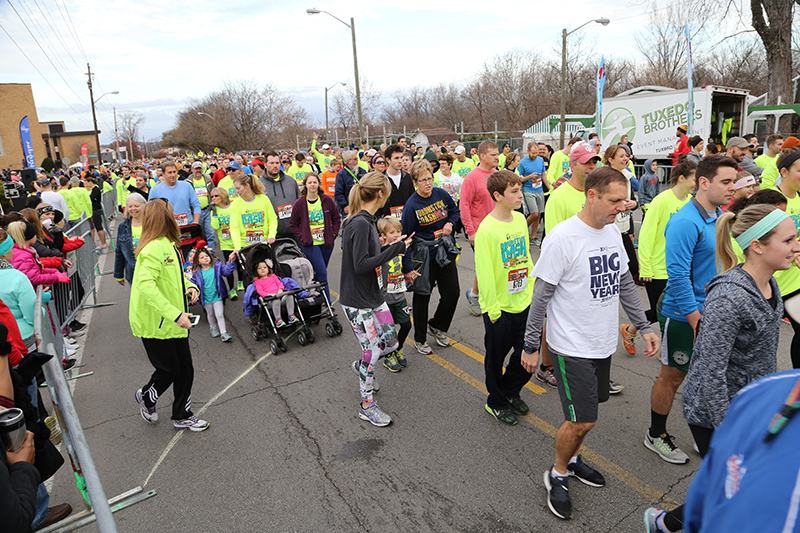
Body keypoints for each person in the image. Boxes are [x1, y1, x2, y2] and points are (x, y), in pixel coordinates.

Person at [645, 203, 798, 533]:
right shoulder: (729, 297)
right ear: (757, 246)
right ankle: (666, 523)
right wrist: (730, 429)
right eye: (789, 241)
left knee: (730, 484)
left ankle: (666, 523)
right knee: (737, 487)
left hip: (751, 406)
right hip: (718, 412)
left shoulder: (771, 285)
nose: (796, 246)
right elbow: (708, 369)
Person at [521, 166, 659, 520]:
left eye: (624, 199)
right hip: (572, 346)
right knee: (582, 420)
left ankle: (575, 458)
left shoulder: (612, 231)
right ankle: (557, 474)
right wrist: (531, 344)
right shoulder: (563, 238)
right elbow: (541, 297)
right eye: (614, 200)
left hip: (602, 342)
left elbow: (625, 283)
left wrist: (643, 325)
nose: (621, 207)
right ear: (592, 195)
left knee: (588, 414)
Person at [646, 155, 738, 465]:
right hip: (684, 316)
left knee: (709, 377)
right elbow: (679, 276)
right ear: (703, 182)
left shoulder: (720, 215)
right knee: (672, 378)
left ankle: (705, 436)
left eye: (733, 181)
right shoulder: (686, 221)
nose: (732, 188)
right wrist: (695, 318)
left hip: (714, 312)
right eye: (726, 182)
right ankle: (655, 434)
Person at [678, 369, 800, 532]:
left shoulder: (760, 389)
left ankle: (664, 523)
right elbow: (711, 369)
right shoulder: (757, 392)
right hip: (729, 413)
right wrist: (725, 428)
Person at [131, 200, 208, 432]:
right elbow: (146, 287)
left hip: (174, 320)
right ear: (164, 218)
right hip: (156, 322)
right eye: (172, 214)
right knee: (169, 370)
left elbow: (174, 277)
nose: (176, 218)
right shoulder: (153, 249)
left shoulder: (169, 245)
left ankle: (182, 415)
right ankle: (146, 397)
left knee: (185, 368)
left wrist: (190, 286)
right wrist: (175, 315)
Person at [340, 172, 410, 427]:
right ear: (380, 194)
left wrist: (393, 246)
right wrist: (394, 249)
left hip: (374, 295)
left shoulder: (369, 220)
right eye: (388, 191)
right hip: (357, 301)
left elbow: (368, 255)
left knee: (391, 341)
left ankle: (362, 365)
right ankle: (367, 405)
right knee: (373, 350)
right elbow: (360, 265)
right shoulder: (359, 223)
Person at [475, 170, 534, 426]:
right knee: (495, 358)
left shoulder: (521, 220)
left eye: (520, 190)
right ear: (498, 195)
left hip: (525, 302)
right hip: (499, 308)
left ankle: (510, 391)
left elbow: (526, 258)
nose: (520, 195)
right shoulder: (486, 230)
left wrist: (533, 288)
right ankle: (496, 401)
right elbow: (485, 274)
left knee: (525, 356)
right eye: (514, 191)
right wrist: (492, 310)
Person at [401, 160, 460, 355]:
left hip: (444, 251)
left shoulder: (440, 194)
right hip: (423, 255)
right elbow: (406, 239)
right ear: (415, 181)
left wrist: (450, 223)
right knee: (422, 297)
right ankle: (419, 339)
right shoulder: (411, 206)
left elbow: (454, 211)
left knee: (452, 293)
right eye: (423, 180)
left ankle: (436, 325)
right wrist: (407, 268)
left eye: (430, 178)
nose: (428, 183)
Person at [637, 161, 697, 325]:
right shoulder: (661, 201)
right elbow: (646, 235)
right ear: (682, 178)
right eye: (694, 179)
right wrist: (646, 267)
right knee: (659, 312)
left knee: (680, 311)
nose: (697, 183)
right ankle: (630, 329)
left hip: (681, 269)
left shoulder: (692, 202)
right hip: (658, 269)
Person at [461, 141, 501, 317]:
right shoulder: (472, 177)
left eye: (497, 154)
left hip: (498, 228)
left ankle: (489, 294)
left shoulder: (498, 175)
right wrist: (470, 231)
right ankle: (475, 295)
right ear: (482, 156)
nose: (497, 157)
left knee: (496, 264)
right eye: (493, 155)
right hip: (479, 230)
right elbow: (464, 206)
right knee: (484, 266)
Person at [289, 173, 341, 304]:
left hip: (327, 243)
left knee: (319, 273)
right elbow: (293, 224)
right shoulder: (300, 203)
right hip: (310, 245)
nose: (313, 185)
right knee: (322, 273)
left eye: (315, 182)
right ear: (305, 185)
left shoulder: (327, 200)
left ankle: (315, 297)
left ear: (319, 184)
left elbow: (336, 218)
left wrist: (334, 234)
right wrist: (302, 237)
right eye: (310, 182)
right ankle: (328, 304)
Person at [772, 147, 800, 368]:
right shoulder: (772, 202)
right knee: (762, 342)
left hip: (795, 282)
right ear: (784, 171)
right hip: (771, 284)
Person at [376, 216, 412, 372]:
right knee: (388, 331)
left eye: (399, 231)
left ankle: (398, 348)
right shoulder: (381, 250)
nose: (397, 235)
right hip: (384, 301)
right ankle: (388, 356)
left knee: (406, 325)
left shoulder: (401, 248)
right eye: (392, 232)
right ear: (383, 235)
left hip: (399, 296)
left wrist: (409, 274)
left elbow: (401, 267)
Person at [228, 174, 278, 265]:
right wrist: (237, 247)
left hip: (264, 245)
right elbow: (234, 228)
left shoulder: (264, 199)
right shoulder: (235, 205)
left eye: (238, 188)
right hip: (246, 247)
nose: (236, 191)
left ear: (247, 185)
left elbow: (272, 219)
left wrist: (271, 235)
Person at [189, 247, 236, 342]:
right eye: (202, 257)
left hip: (217, 296)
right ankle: (213, 327)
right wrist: (189, 287)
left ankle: (224, 333)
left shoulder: (217, 266)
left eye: (207, 256)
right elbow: (191, 284)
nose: (205, 258)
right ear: (198, 262)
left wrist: (230, 262)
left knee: (219, 314)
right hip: (206, 298)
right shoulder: (196, 273)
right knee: (210, 314)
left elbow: (227, 272)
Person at [258, 151, 301, 242]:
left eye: (277, 163)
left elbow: (300, 202)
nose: (275, 166)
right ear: (265, 165)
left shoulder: (291, 181)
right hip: (273, 236)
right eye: (271, 163)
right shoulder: (259, 185)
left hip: (295, 232)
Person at [148, 162, 201, 228]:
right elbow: (151, 212)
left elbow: (196, 205)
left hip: (187, 226)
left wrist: (195, 223)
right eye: (169, 172)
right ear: (163, 174)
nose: (173, 175)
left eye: (174, 172)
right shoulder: (155, 190)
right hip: (167, 229)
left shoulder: (186, 185)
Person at [209, 188, 238, 299]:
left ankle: (240, 281)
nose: (214, 198)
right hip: (225, 243)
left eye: (216, 196)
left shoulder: (232, 207)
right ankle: (231, 289)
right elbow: (215, 226)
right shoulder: (214, 210)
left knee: (239, 266)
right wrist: (215, 213)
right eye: (212, 196)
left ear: (223, 196)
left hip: (236, 241)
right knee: (229, 266)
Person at [253, 259, 298, 328]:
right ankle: (278, 320)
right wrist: (269, 295)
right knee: (275, 300)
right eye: (259, 268)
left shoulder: (273, 276)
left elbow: (280, 284)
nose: (262, 269)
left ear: (268, 269)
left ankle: (291, 315)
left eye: (264, 267)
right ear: (256, 271)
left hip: (280, 296)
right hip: (270, 301)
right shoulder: (257, 281)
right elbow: (260, 291)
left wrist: (280, 289)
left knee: (289, 295)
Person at [114, 193, 147, 286]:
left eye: (137, 206)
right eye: (130, 206)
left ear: (144, 206)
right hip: (133, 273)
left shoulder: (151, 224)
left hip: (151, 270)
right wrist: (118, 274)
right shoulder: (122, 227)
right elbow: (119, 252)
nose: (133, 209)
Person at [518, 142, 546, 248]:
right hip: (528, 190)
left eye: (536, 153)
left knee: (538, 214)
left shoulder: (540, 160)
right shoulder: (522, 162)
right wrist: (530, 176)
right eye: (533, 153)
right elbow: (520, 179)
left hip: (539, 189)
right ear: (528, 151)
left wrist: (548, 185)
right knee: (534, 213)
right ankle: (521, 231)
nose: (535, 155)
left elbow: (544, 174)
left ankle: (532, 237)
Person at [378, 144, 415, 219]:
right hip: (387, 222)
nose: (400, 161)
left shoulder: (407, 177)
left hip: (406, 220)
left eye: (401, 157)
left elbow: (412, 199)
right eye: (396, 158)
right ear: (388, 160)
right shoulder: (381, 179)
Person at [189, 161, 216, 251]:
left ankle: (210, 252)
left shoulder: (208, 180)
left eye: (199, 168)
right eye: (196, 169)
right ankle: (199, 252)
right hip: (195, 212)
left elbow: (213, 192)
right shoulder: (188, 182)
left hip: (208, 209)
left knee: (210, 232)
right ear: (192, 170)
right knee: (198, 233)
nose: (198, 171)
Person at [334, 150, 367, 217]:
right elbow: (338, 192)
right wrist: (345, 205)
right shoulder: (341, 174)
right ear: (348, 161)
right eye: (355, 159)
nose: (357, 160)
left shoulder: (362, 171)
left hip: (363, 206)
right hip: (349, 207)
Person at [83, 177, 107, 252]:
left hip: (96, 210)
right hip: (95, 209)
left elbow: (93, 198)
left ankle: (103, 243)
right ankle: (102, 242)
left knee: (99, 227)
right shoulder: (93, 190)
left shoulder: (96, 189)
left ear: (90, 182)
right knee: (98, 227)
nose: (86, 185)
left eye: (87, 183)